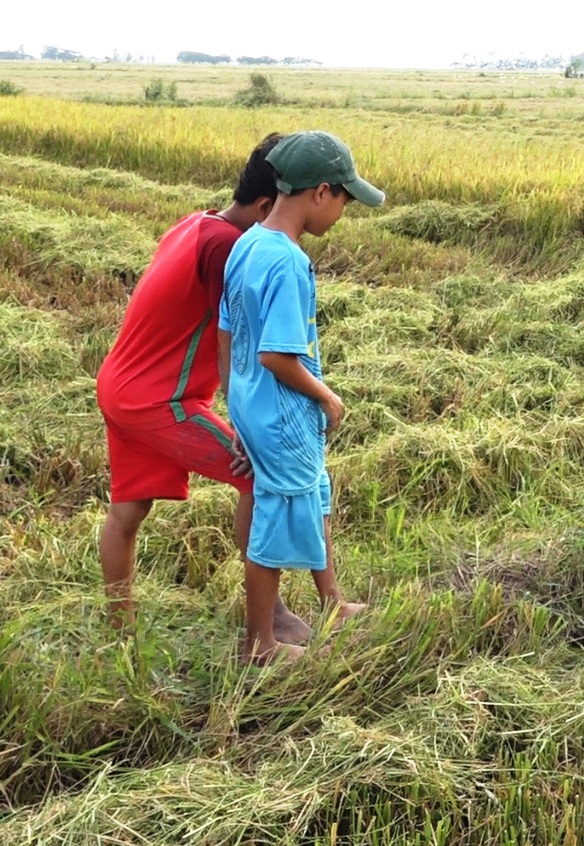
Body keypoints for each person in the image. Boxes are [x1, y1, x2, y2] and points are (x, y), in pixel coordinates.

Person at [96, 133, 307, 644]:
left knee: (128, 510)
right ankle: (269, 619)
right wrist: (244, 425)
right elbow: (229, 339)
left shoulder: (198, 222)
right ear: (264, 206)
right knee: (257, 478)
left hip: (121, 387)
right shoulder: (228, 247)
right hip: (158, 401)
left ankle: (118, 631)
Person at [221, 130, 383, 664]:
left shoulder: (247, 242)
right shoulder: (288, 261)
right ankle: (260, 645)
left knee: (314, 492)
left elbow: (229, 331)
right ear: (320, 192)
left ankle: (332, 601)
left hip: (253, 404)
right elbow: (277, 355)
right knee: (279, 512)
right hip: (284, 412)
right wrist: (328, 397)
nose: (342, 212)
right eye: (344, 199)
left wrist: (233, 397)